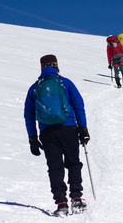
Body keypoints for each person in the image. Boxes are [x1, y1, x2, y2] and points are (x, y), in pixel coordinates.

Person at [24, 54, 90, 217]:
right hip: (68, 128)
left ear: (42, 67)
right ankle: (76, 198)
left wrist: (33, 138)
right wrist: (83, 129)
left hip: (47, 132)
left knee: (55, 167)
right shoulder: (66, 83)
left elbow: (29, 114)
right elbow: (78, 105)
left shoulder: (34, 88)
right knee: (73, 163)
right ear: (56, 66)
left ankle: (61, 203)